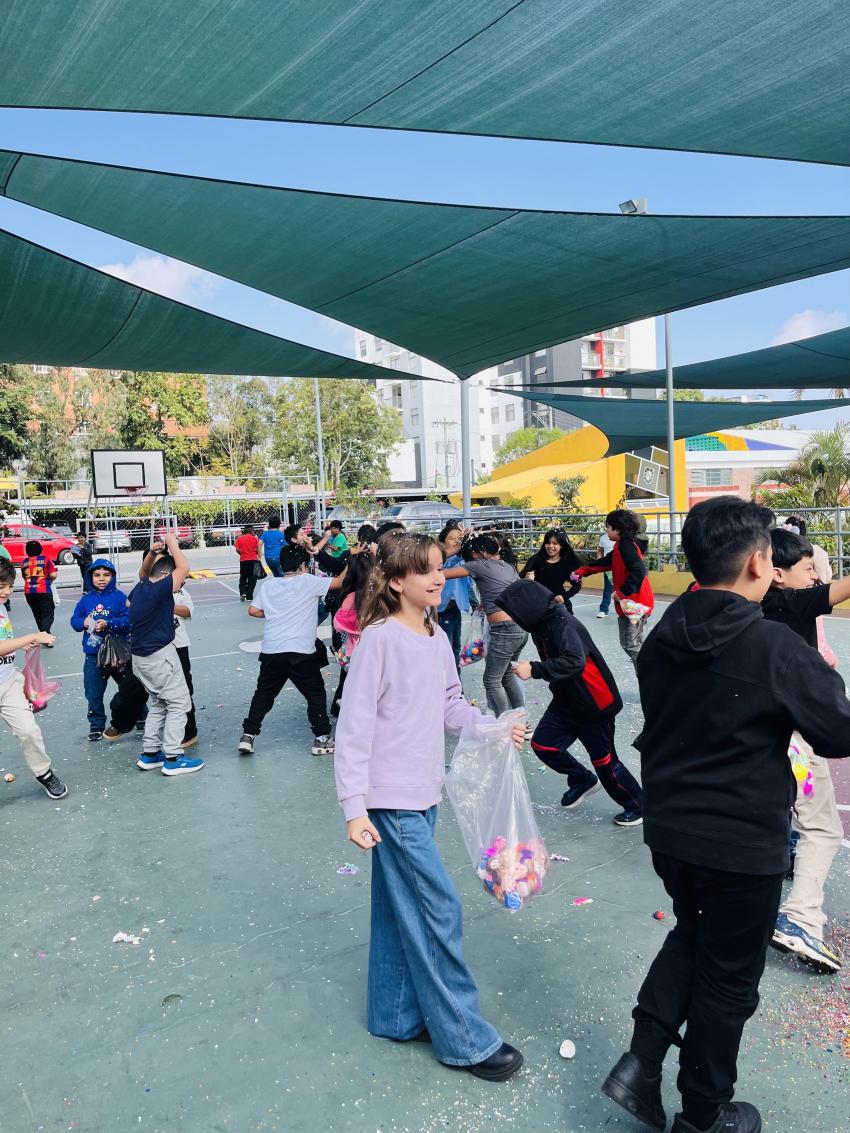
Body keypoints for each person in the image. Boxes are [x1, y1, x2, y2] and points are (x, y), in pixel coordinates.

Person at [601, 497, 850, 1133]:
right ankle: (704, 1113)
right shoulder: (771, 645)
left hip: (671, 828)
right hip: (740, 839)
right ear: (759, 562)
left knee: (693, 933)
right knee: (729, 980)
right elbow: (837, 730)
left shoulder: (665, 634)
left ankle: (641, 1061)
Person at [334, 531, 526, 1081]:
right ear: (396, 581)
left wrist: (493, 728)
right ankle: (464, 1039)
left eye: (441, 567)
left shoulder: (435, 635)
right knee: (437, 909)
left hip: (424, 793)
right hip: (390, 803)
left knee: (400, 908)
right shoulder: (378, 641)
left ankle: (395, 1016)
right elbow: (354, 727)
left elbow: (449, 705)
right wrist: (354, 807)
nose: (439, 578)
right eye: (426, 570)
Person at [760, 526, 850, 974]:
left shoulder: (749, 607)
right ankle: (800, 916)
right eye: (808, 568)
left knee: (789, 812)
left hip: (766, 737)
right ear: (776, 573)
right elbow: (840, 589)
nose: (815, 575)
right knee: (822, 825)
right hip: (796, 742)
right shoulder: (789, 602)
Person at [498, 578, 643, 826]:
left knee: (605, 762)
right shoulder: (541, 625)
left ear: (528, 607)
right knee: (544, 745)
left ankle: (637, 805)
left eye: (514, 612)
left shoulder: (563, 624)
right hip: (566, 700)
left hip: (593, 704)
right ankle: (582, 779)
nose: (513, 618)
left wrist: (534, 669)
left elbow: (575, 661)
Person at [237, 543, 343, 757]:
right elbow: (340, 581)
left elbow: (253, 610)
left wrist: (276, 613)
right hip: (301, 652)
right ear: (303, 565)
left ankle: (248, 736)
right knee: (315, 693)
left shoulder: (269, 585)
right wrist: (352, 560)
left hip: (272, 651)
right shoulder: (309, 581)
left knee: (264, 694)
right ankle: (322, 738)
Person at [129, 535, 203, 776]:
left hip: (140, 659)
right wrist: (172, 543)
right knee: (179, 703)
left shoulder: (141, 586)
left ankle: (150, 754)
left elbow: (143, 571)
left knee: (159, 703)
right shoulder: (159, 590)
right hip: (160, 657)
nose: (180, 584)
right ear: (165, 576)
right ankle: (173, 757)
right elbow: (184, 567)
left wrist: (152, 552)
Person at [443, 533, 529, 725]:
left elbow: (440, 574)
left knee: (492, 680)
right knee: (507, 675)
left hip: (505, 630)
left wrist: (451, 552)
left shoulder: (479, 564)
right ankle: (521, 723)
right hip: (521, 627)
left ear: (481, 551)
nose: (471, 558)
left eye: (472, 554)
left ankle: (505, 726)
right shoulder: (508, 566)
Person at [0, 560, 67, 798]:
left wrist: (21, 645)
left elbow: (4, 642)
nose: (7, 592)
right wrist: (32, 636)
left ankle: (44, 773)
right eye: (1, 586)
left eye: (9, 586)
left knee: (29, 731)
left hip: (8, 682)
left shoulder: (1, 607)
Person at [573, 509, 654, 665]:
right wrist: (583, 570)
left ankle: (651, 672)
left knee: (631, 644)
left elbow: (638, 571)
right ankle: (650, 670)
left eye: (608, 527)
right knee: (634, 642)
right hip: (634, 602)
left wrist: (622, 593)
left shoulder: (626, 546)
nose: (606, 530)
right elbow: (607, 562)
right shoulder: (621, 545)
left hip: (634, 603)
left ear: (617, 529)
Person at [69, 558, 131, 741]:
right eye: (97, 575)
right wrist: (83, 622)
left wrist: (109, 623)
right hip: (93, 654)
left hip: (118, 654)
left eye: (106, 575)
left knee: (129, 687)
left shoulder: (120, 597)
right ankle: (96, 725)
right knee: (93, 693)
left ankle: (139, 714)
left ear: (113, 576)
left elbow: (129, 619)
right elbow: (74, 621)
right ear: (90, 577)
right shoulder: (86, 600)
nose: (101, 579)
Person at [330, 549, 374, 716]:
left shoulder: (346, 598)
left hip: (350, 654)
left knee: (349, 682)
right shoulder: (377, 598)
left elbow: (338, 626)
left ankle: (345, 707)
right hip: (371, 653)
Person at [436, 523, 473, 669]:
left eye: (459, 538)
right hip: (442, 610)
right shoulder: (440, 559)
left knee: (456, 648)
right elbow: (448, 561)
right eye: (451, 538)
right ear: (442, 543)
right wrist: (459, 549)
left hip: (456, 610)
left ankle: (456, 681)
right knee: (447, 651)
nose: (456, 542)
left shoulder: (462, 559)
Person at [519, 529, 582, 611]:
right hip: (537, 603)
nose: (550, 546)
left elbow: (577, 585)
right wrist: (527, 580)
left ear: (561, 545)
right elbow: (519, 579)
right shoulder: (536, 560)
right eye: (548, 543)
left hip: (557, 604)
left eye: (555, 543)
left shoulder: (568, 563)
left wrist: (564, 597)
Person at [21, 540, 57, 636]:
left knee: (37, 613)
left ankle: (43, 633)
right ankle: (45, 633)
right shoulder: (46, 559)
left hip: (29, 592)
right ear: (40, 550)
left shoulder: (24, 562)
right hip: (43, 589)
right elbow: (53, 574)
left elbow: (24, 577)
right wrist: (50, 581)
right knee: (48, 612)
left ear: (27, 551)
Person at [235, 524, 261, 602]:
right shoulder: (254, 539)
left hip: (243, 560)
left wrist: (242, 554)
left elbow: (237, 549)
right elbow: (258, 549)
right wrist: (258, 555)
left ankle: (243, 593)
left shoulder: (239, 539)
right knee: (252, 578)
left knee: (243, 577)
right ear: (251, 531)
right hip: (253, 560)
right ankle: (249, 595)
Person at [596, 528, 615, 618]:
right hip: (608, 567)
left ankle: (628, 610)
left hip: (621, 566)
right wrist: (599, 560)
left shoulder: (621, 538)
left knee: (625, 588)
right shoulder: (603, 538)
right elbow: (600, 551)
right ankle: (603, 610)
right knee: (608, 588)